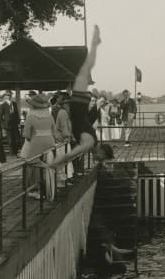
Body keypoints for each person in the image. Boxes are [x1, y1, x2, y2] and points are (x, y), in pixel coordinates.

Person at [44, 25, 115, 171]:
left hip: (81, 105)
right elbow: (70, 155)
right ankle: (95, 43)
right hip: (78, 104)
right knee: (85, 67)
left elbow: (85, 123)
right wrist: (54, 164)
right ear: (101, 152)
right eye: (100, 158)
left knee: (86, 67)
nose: (97, 160)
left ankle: (95, 43)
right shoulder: (89, 143)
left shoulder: (93, 142)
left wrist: (105, 163)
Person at [23, 92, 58, 200]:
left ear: (33, 106)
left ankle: (35, 189)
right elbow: (54, 131)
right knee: (45, 162)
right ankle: (48, 187)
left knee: (30, 162)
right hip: (50, 143)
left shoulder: (31, 116)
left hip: (36, 142)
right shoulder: (49, 116)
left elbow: (27, 135)